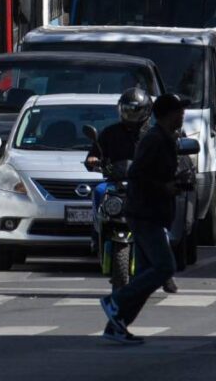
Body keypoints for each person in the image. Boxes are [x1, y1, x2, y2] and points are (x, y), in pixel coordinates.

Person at [100, 93, 186, 345]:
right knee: (164, 267)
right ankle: (116, 301)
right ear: (167, 114)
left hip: (152, 213)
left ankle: (117, 325)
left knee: (146, 275)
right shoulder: (155, 139)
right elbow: (138, 174)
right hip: (145, 213)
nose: (183, 115)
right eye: (179, 111)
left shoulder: (166, 138)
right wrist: (164, 187)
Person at [86, 88, 179, 295]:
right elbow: (94, 154)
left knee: (159, 227)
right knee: (99, 191)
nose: (131, 115)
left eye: (135, 111)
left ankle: (166, 272)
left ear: (146, 111)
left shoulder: (153, 134)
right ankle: (96, 232)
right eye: (127, 110)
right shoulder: (110, 133)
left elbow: (174, 161)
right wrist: (93, 160)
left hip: (147, 188)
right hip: (117, 182)